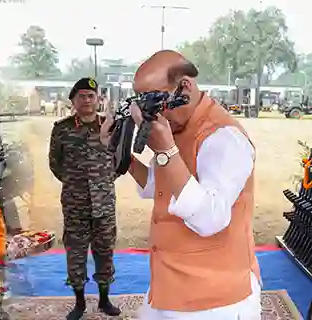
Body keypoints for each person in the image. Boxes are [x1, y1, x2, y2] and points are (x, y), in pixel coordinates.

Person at [100, 50, 261, 319]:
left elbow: (210, 218)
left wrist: (166, 151)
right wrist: (120, 154)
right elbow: (158, 185)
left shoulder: (225, 138)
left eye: (155, 101)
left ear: (184, 87)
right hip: (168, 285)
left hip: (216, 301)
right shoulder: (176, 130)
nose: (151, 115)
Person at [48, 77, 121, 319]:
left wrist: (102, 183)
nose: (87, 100)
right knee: (76, 255)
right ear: (73, 101)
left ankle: (104, 300)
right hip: (75, 204)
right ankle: (79, 303)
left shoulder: (110, 127)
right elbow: (55, 164)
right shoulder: (62, 129)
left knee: (105, 252)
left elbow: (120, 163)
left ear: (98, 99)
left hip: (104, 204)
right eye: (81, 96)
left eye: (91, 95)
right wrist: (75, 184)